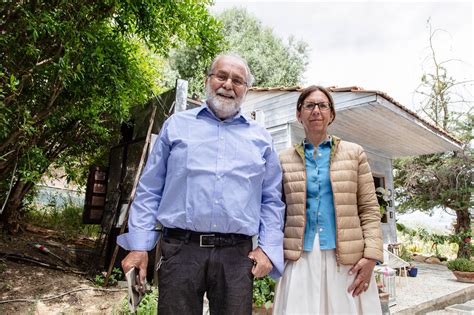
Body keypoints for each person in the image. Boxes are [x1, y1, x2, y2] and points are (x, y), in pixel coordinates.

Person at [117, 53, 285, 315]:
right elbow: (150, 189)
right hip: (181, 251)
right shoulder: (176, 126)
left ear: (246, 89)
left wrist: (267, 248)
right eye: (222, 76)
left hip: (236, 256)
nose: (228, 85)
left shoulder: (261, 138)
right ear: (208, 80)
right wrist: (139, 246)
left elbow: (271, 200)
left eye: (238, 80)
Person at [273, 85, 383, 314]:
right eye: (309, 105)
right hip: (299, 258)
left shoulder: (354, 154)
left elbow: (370, 208)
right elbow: (275, 210)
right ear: (298, 114)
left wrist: (372, 256)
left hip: (346, 259)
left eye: (323, 105)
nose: (316, 111)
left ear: (331, 114)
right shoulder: (283, 159)